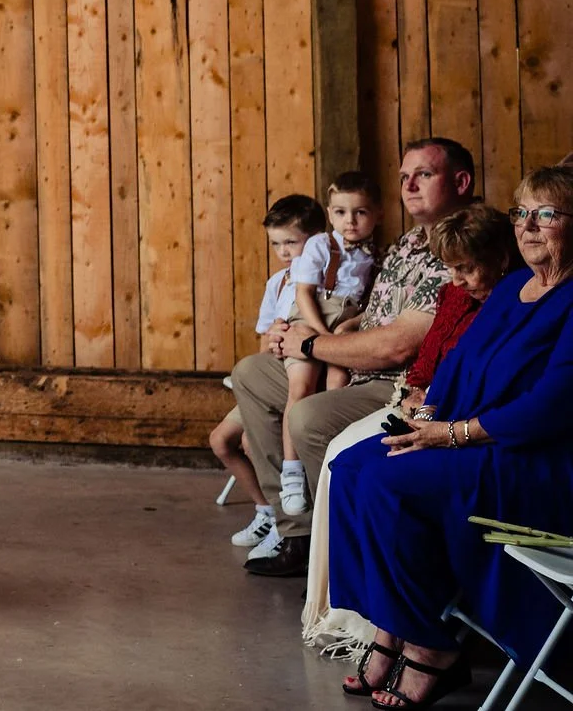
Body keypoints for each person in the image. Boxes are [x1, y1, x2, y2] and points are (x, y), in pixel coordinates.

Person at [328, 166, 573, 709]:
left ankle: (432, 646)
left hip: (534, 456)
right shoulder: (513, 286)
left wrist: (451, 435)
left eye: (548, 214)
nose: (530, 226)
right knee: (350, 465)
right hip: (467, 434)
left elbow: (552, 405)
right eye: (522, 213)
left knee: (392, 484)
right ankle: (388, 625)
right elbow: (458, 364)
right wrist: (418, 416)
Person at [234, 138, 477, 578]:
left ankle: (339, 552)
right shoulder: (406, 244)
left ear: (460, 182)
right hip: (354, 360)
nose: (410, 185)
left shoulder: (462, 244)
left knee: (306, 416)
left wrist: (309, 344)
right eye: (404, 177)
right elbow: (377, 310)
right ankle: (296, 531)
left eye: (424, 174)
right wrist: (319, 327)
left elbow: (399, 346)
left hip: (401, 382)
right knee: (252, 371)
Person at [308, 201, 521, 660]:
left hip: (468, 427)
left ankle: (420, 637)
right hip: (426, 407)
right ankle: (376, 621)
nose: (457, 280)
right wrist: (417, 398)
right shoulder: (454, 296)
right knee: (347, 467)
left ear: (500, 259)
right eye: (451, 269)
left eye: (467, 268)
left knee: (380, 477)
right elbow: (430, 366)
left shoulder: (511, 301)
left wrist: (436, 420)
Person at [215, 194, 327, 556]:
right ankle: (265, 509)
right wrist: (274, 340)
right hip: (274, 369)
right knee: (221, 440)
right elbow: (266, 337)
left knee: (251, 441)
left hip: (306, 374)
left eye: (291, 242)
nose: (283, 252)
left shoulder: (324, 280)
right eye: (276, 244)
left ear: (316, 239)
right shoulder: (277, 282)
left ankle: (287, 519)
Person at [279, 172, 382, 517]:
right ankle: (291, 473)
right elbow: (304, 293)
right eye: (340, 213)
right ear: (329, 212)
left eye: (360, 213)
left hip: (344, 321)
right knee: (301, 385)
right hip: (312, 316)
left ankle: (324, 458)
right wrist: (319, 335)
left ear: (377, 214)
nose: (349, 222)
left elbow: (365, 306)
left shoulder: (378, 253)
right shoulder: (321, 245)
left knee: (338, 381)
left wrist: (345, 333)